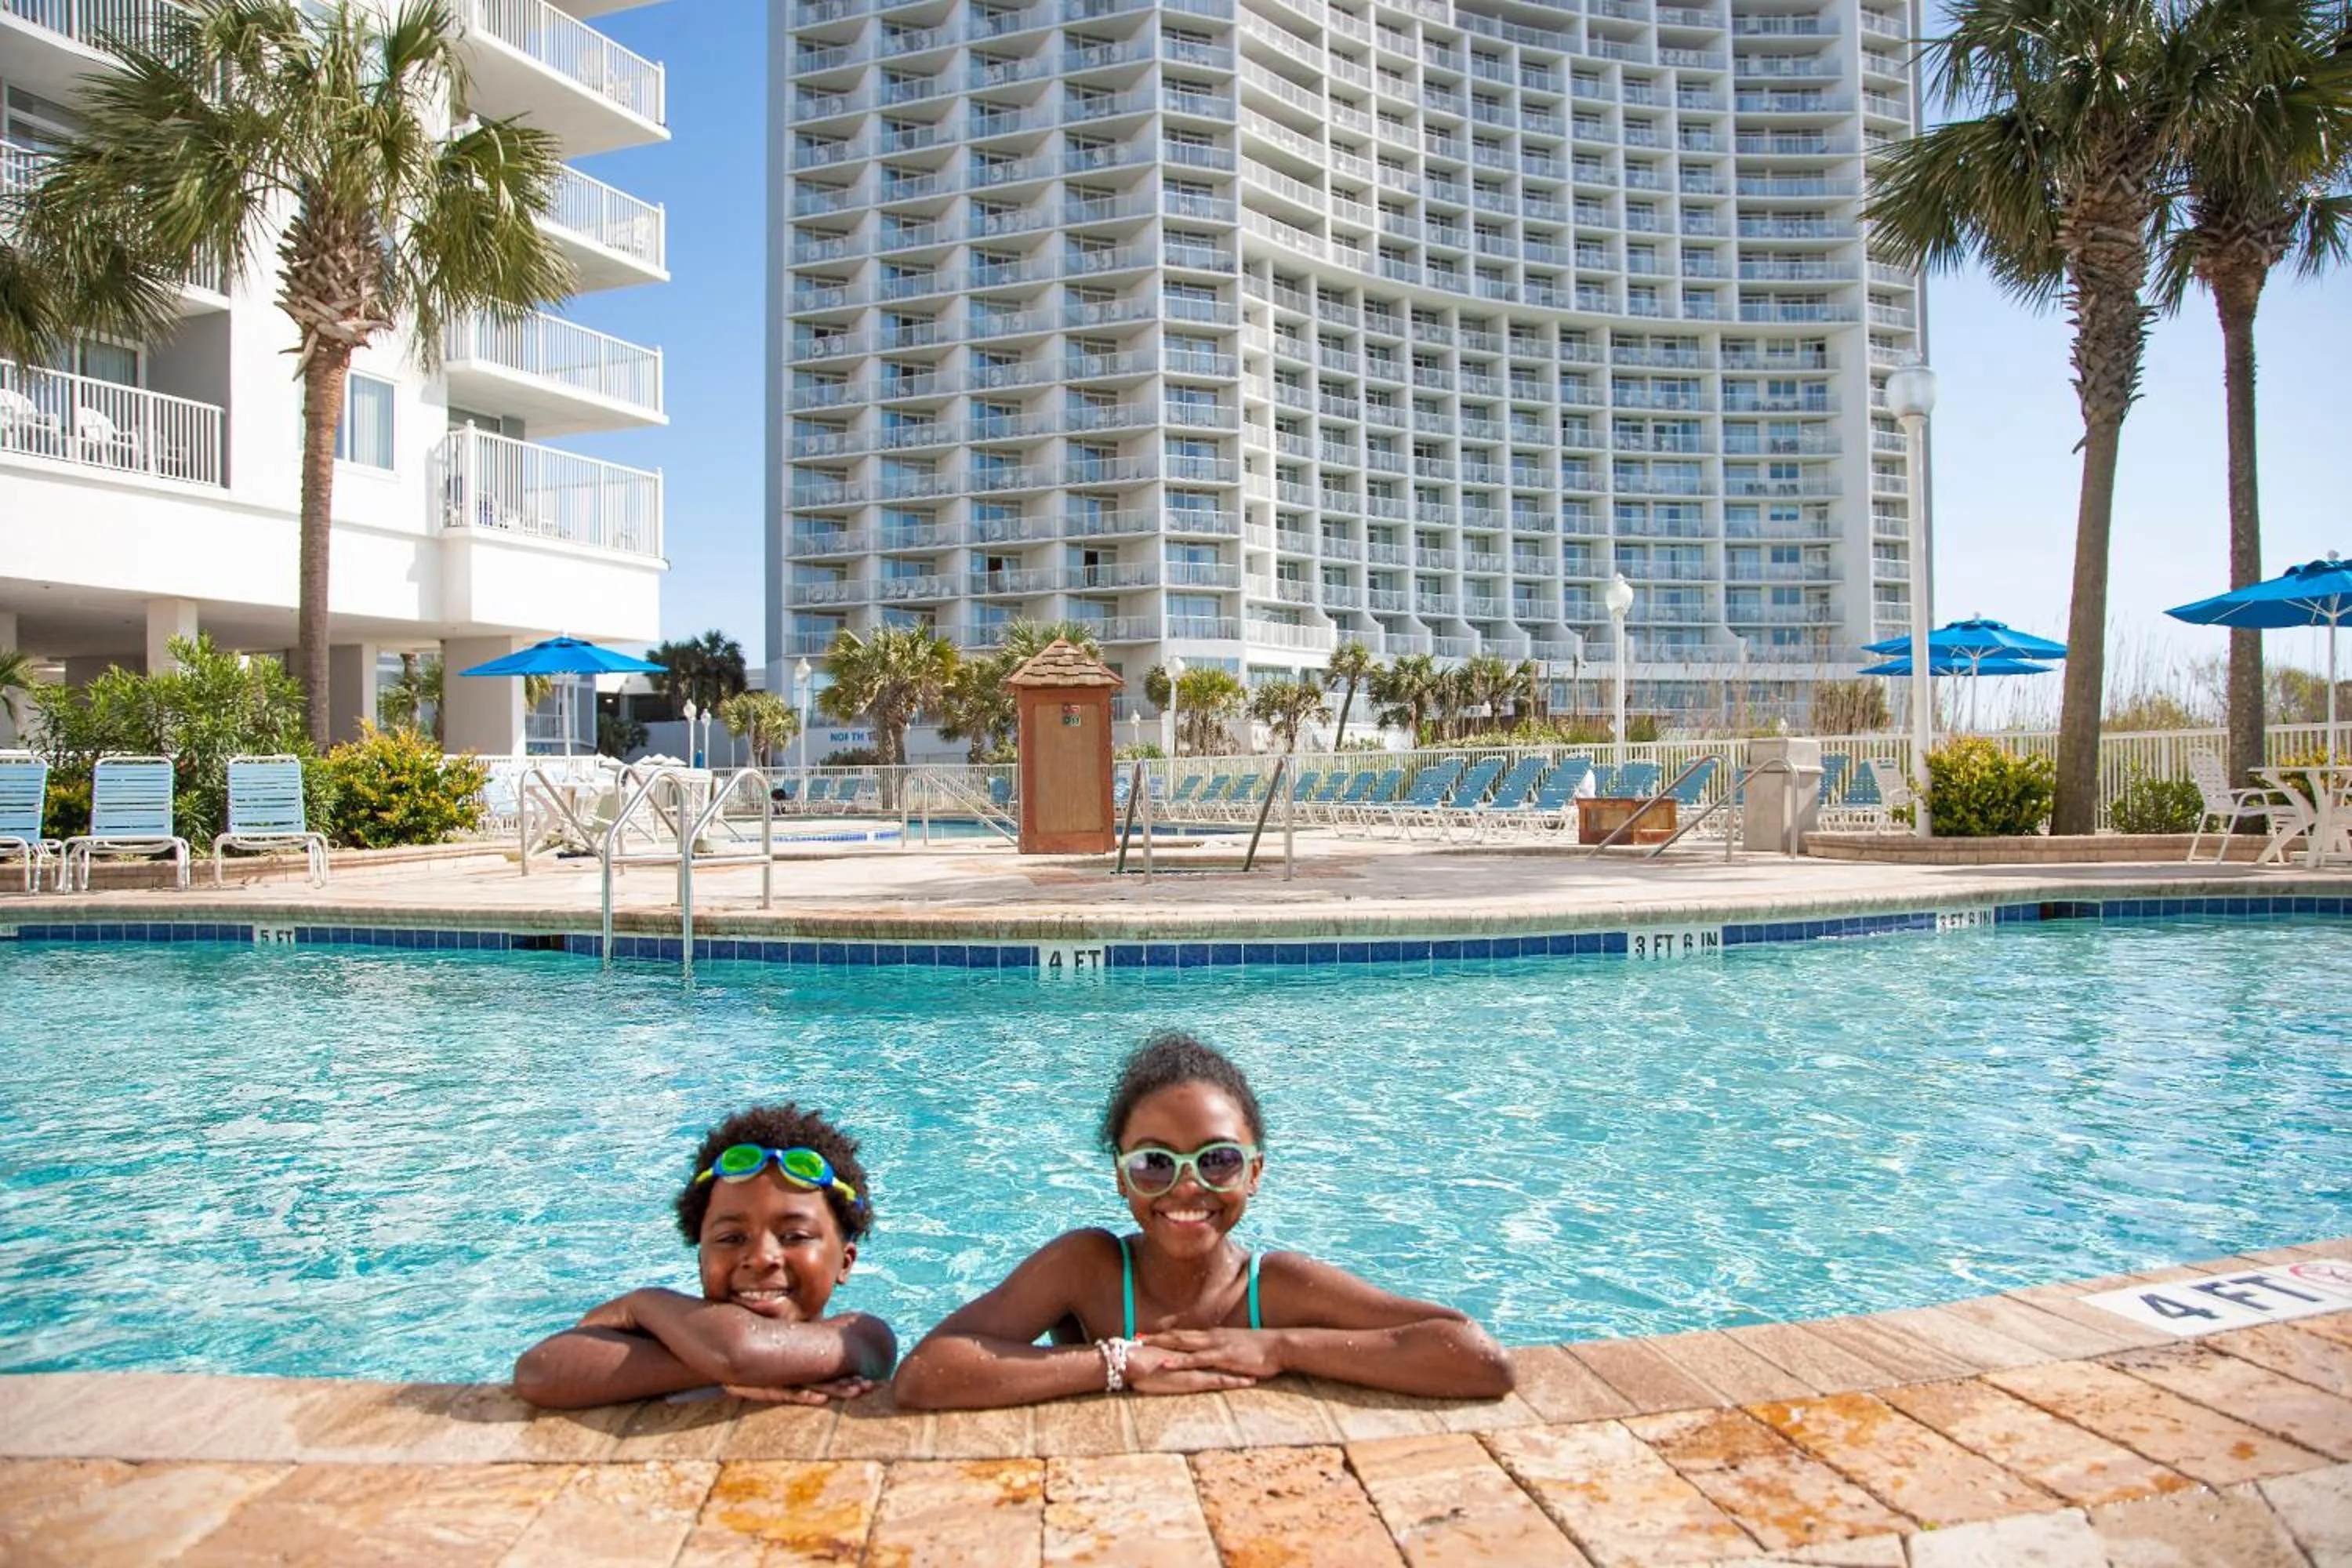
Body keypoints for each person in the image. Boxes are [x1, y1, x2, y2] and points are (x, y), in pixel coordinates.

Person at [893, 1030, 1513, 1409]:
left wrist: (1279, 1347)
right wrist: (1116, 1364)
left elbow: (1476, 1357)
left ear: (1255, 1172)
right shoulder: (1089, 1269)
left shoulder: (1273, 1289)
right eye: (1155, 1163)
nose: (1187, 1185)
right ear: (1120, 1176)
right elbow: (928, 1373)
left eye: (1217, 1159)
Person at [512, 1103, 896, 1410]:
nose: (762, 1257)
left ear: (845, 1261)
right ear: (701, 1257)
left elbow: (739, 1354)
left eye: (794, 1236)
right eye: (731, 1238)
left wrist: (641, 1304)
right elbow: (538, 1373)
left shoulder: (861, 1338)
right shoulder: (677, 1337)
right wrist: (731, 1368)